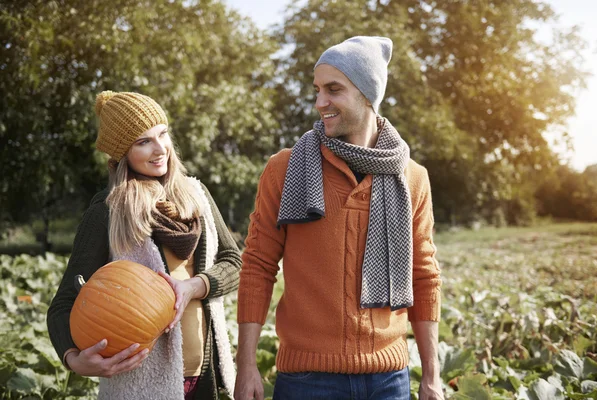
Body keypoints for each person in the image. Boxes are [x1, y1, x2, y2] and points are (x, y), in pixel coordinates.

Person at [234, 36, 443, 400]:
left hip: (388, 378)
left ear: (368, 95)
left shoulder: (411, 177)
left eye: (334, 89)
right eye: (317, 90)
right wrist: (246, 365)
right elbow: (257, 265)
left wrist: (431, 376)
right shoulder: (285, 169)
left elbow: (423, 275)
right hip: (305, 380)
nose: (320, 102)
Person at [47, 91, 241, 400]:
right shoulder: (107, 211)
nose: (159, 148)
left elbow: (234, 261)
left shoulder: (197, 195)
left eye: (162, 134)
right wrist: (74, 359)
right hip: (140, 385)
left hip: (206, 376)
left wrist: (196, 286)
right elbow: (63, 304)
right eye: (143, 142)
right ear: (122, 153)